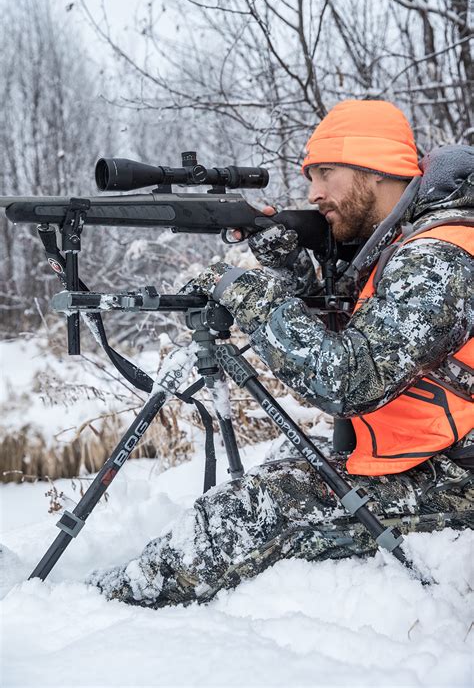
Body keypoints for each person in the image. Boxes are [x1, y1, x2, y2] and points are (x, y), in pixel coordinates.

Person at [89, 100, 473, 608]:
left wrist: (250, 294)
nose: (313, 193)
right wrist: (295, 270)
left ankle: (100, 610)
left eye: (325, 173)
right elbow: (372, 336)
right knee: (285, 460)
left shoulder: (439, 254)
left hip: (456, 476)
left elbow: (349, 379)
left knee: (258, 507)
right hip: (423, 451)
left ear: (376, 169)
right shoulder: (403, 241)